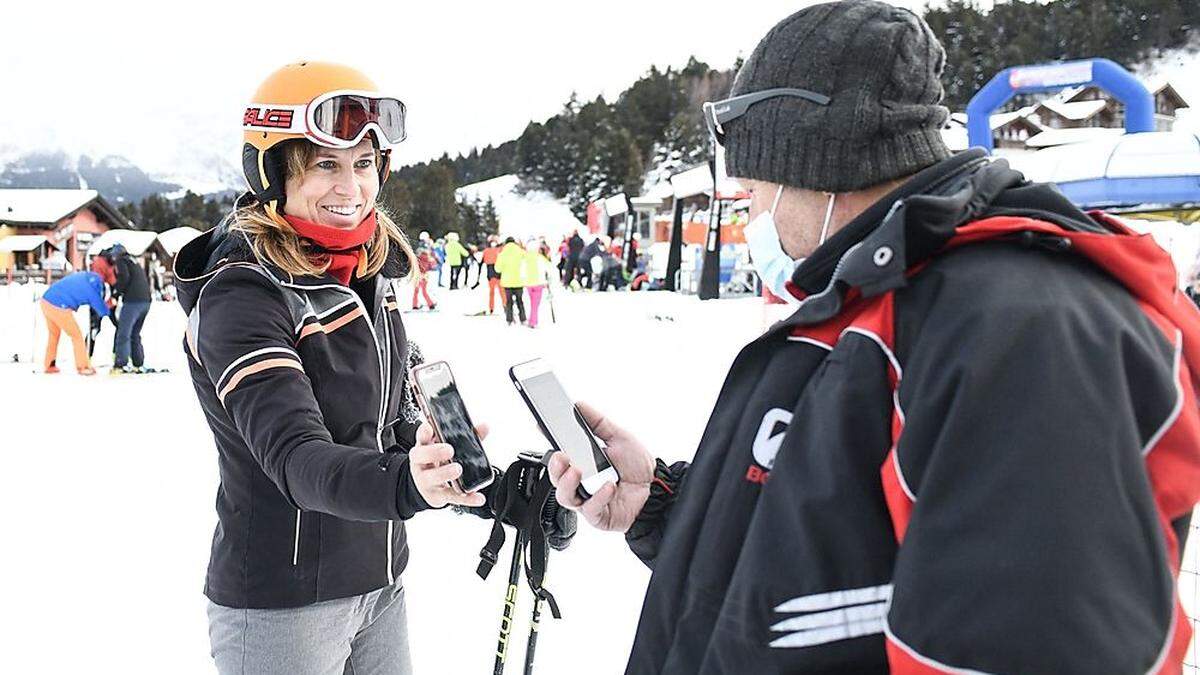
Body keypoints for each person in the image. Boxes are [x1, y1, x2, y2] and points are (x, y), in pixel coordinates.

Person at [547, 3, 1200, 673]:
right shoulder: (873, 300)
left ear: (813, 164)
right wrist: (663, 501)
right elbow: (834, 554)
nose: (752, 219)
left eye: (752, 193)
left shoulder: (1016, 332)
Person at [173, 62, 489, 675]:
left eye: (364, 163)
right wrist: (409, 486)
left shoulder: (365, 278)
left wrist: (490, 485)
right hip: (282, 607)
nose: (351, 187)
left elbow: (395, 428)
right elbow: (297, 457)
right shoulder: (242, 295)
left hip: (380, 583)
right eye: (325, 163)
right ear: (273, 173)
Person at [40, 269, 110, 375]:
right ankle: (83, 367)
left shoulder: (84, 276)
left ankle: (49, 364)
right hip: (59, 306)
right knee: (77, 336)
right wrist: (110, 307)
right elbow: (102, 310)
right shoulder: (92, 290)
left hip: (46, 301)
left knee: (54, 335)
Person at [106, 244, 153, 374]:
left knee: (123, 332)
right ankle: (138, 363)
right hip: (146, 301)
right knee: (134, 333)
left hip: (133, 301)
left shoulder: (121, 261)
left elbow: (124, 278)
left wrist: (116, 293)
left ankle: (121, 364)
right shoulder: (134, 260)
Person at [522, 238, 554, 329]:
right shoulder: (540, 258)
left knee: (532, 302)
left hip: (528, 283)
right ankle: (533, 321)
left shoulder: (525, 258)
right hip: (539, 283)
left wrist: (523, 280)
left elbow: (522, 270)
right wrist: (548, 280)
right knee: (535, 304)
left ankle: (532, 320)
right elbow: (549, 268)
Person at [495, 236, 527, 325]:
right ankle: (523, 319)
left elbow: (497, 269)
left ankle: (509, 319)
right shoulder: (521, 252)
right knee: (520, 301)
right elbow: (527, 261)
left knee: (509, 302)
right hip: (519, 280)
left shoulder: (502, 254)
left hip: (507, 282)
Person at [481, 234, 505, 314]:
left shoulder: (499, 249)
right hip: (492, 274)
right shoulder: (490, 250)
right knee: (493, 292)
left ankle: (505, 306)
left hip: (497, 274)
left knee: (501, 292)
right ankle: (492, 308)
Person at [412, 244, 437, 310]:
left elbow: (415, 266)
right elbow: (433, 266)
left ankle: (415, 305)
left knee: (416, 291)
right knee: (424, 291)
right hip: (425, 275)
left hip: (418, 275)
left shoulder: (418, 259)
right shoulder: (428, 258)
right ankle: (430, 304)